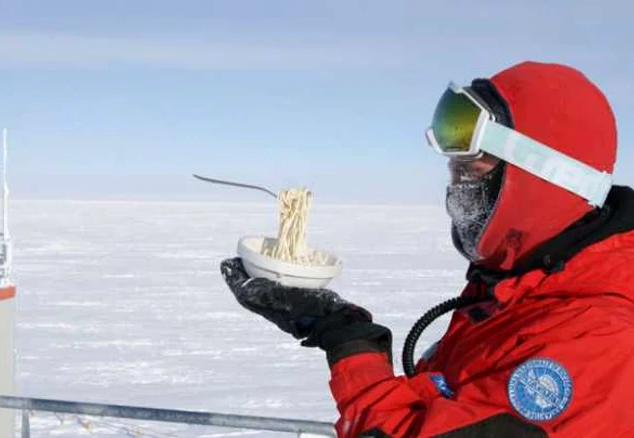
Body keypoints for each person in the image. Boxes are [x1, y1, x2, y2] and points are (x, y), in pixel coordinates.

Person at [220, 61, 634, 437]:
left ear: (544, 181)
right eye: (453, 171)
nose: (456, 193)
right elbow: (447, 411)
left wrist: (350, 345)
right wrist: (339, 325)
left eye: (470, 172)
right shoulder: (519, 288)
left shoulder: (599, 344)